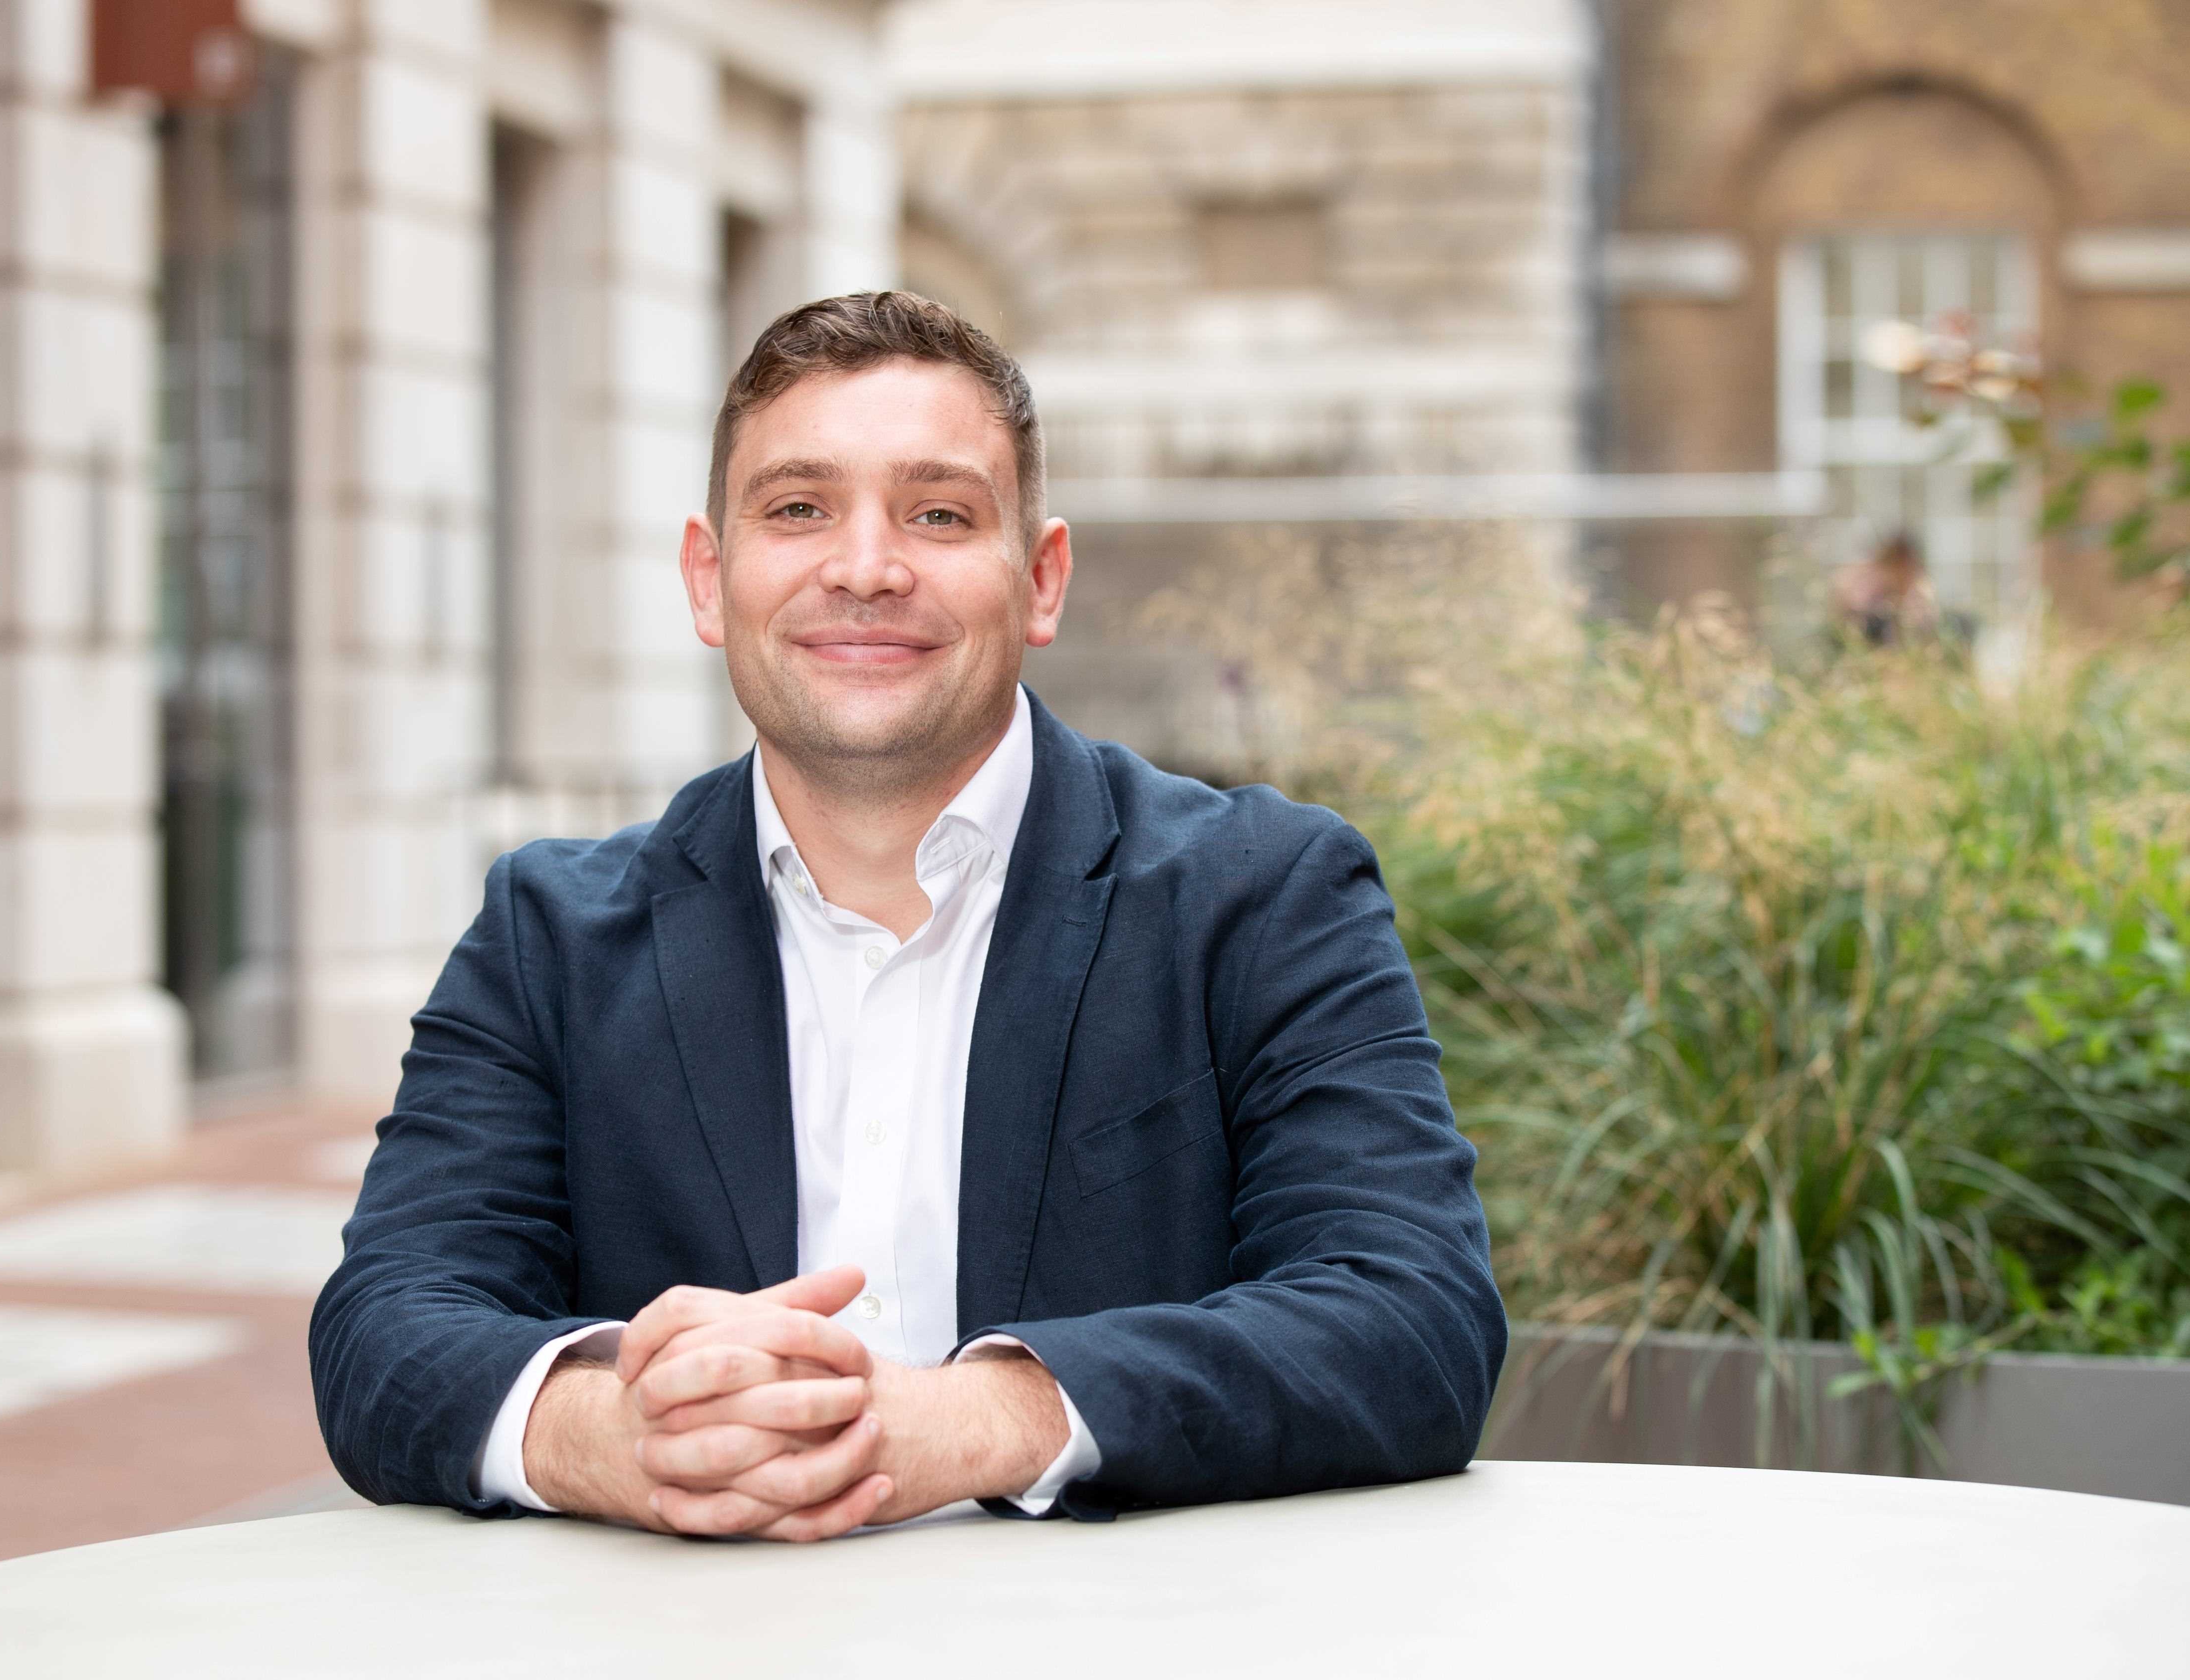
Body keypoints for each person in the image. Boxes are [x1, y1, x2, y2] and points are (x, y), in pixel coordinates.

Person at [311, 291, 1506, 1539]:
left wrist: (972, 1419)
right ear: (708, 582)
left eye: (938, 514)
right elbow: (384, 1326)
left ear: (1037, 580)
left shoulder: (1261, 895)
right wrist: (613, 1433)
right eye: (796, 510)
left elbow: (1411, 1317)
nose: (866, 568)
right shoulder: (545, 936)